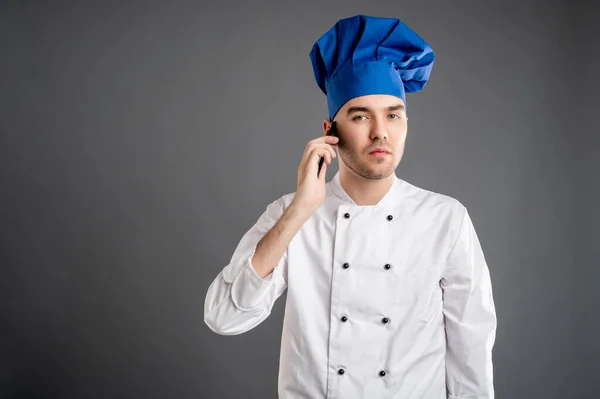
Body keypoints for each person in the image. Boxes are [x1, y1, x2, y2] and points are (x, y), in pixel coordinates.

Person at [204, 14, 497, 399]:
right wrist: (301, 209)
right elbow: (224, 317)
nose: (381, 132)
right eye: (361, 116)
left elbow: (470, 349)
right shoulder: (290, 216)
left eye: (393, 115)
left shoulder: (445, 219)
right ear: (330, 132)